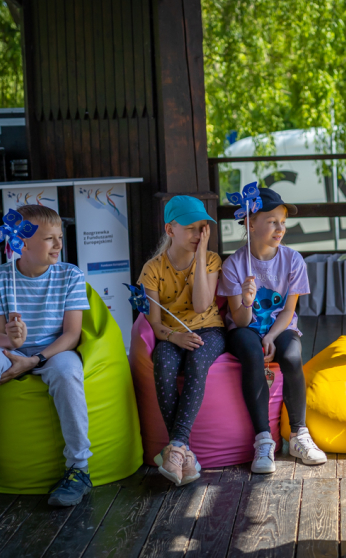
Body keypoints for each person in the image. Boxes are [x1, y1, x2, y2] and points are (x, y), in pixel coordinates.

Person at [0, 205, 92, 507]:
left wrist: (35, 359)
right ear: (23, 243)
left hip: (55, 351)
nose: (58, 245)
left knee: (68, 372)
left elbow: (71, 335)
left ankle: (79, 468)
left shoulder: (70, 275)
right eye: (49, 239)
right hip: (11, 351)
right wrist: (14, 340)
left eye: (59, 237)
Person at [217, 188, 326, 473]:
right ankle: (263, 439)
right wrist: (248, 301)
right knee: (251, 353)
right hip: (244, 329)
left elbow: (289, 311)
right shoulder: (233, 266)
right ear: (250, 223)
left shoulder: (293, 260)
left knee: (291, 357)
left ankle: (299, 434)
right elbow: (239, 321)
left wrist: (272, 336)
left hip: (279, 327)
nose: (280, 228)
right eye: (272, 221)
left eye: (283, 222)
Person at [137, 196, 226, 486]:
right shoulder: (152, 269)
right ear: (170, 229)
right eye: (190, 228)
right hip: (172, 334)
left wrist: (200, 257)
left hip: (208, 330)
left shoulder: (211, 260)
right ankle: (184, 453)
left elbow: (202, 306)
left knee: (198, 360)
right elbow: (155, 322)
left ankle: (175, 447)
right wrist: (174, 336)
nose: (198, 235)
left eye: (203, 229)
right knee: (162, 361)